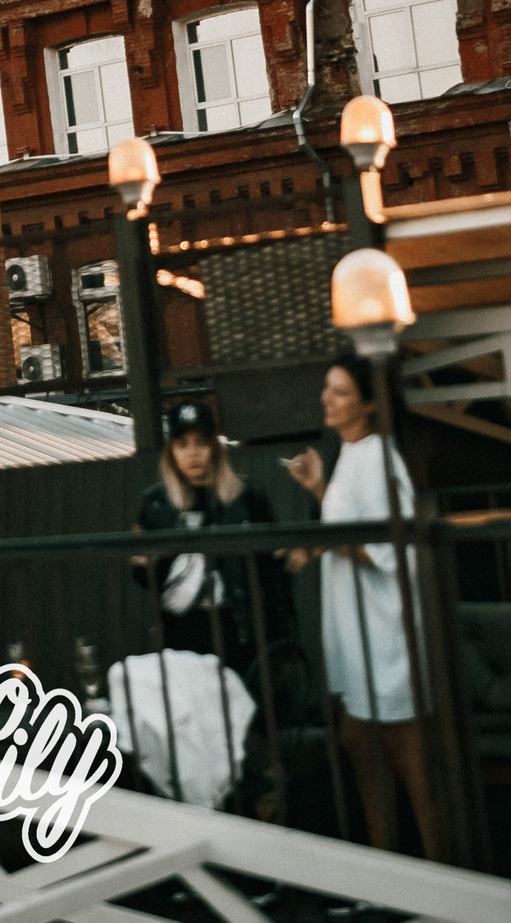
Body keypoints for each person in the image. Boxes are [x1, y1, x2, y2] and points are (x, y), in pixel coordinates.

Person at [286, 355, 442, 861]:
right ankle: (392, 869)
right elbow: (351, 526)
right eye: (326, 389)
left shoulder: (378, 456)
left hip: (386, 633)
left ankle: (443, 875)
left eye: (340, 393)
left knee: (404, 757)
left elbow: (384, 544)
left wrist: (320, 543)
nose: (326, 399)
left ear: (369, 405)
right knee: (360, 744)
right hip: (362, 631)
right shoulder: (353, 454)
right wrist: (318, 491)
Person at [133, 399, 291, 671]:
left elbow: (274, 571)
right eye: (182, 444)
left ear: (215, 448)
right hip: (180, 632)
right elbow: (140, 574)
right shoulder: (155, 504)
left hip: (238, 631)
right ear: (170, 451)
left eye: (201, 443)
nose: (192, 453)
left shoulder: (247, 498)